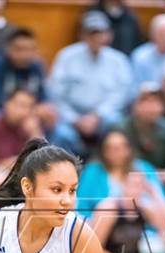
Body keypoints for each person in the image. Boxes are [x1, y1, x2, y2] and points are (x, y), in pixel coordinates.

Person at [49, 10, 132, 157]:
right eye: (91, 33)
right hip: (71, 117)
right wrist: (74, 119)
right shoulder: (66, 56)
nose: (96, 38)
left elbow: (121, 95)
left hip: (103, 117)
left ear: (109, 35)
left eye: (100, 33)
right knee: (61, 133)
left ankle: (108, 171)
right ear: (82, 35)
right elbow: (55, 94)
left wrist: (97, 115)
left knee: (117, 124)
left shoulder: (118, 61)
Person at [0, 27, 56, 133]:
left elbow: (43, 98)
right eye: (19, 49)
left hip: (28, 112)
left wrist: (44, 110)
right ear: (8, 49)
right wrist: (29, 112)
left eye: (30, 49)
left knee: (58, 128)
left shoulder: (37, 66)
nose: (25, 54)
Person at [77, 128, 165, 218]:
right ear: (103, 151)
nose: (117, 152)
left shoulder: (144, 168)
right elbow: (81, 207)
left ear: (129, 149)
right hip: (103, 226)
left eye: (121, 147)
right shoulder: (93, 171)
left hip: (146, 226)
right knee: (108, 208)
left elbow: (164, 202)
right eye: (110, 148)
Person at [0, 87, 43, 178]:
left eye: (30, 107)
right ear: (7, 104)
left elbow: (43, 160)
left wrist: (34, 133)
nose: (26, 111)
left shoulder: (29, 128)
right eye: (22, 105)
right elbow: (6, 164)